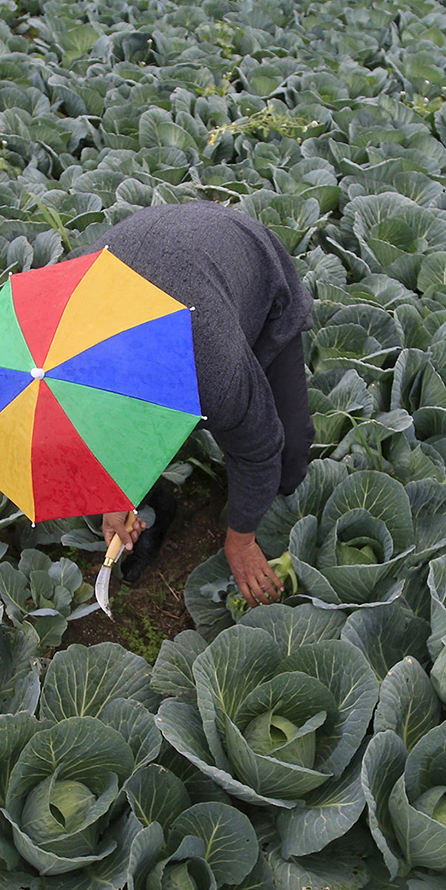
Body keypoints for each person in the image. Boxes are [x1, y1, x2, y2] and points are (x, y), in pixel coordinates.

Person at [89, 200, 314, 608]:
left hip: (244, 262)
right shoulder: (66, 341)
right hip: (146, 253)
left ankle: (270, 519)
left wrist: (241, 541)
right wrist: (114, 495)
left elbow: (259, 448)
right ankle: (159, 508)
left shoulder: (210, 366)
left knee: (290, 444)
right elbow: (106, 429)